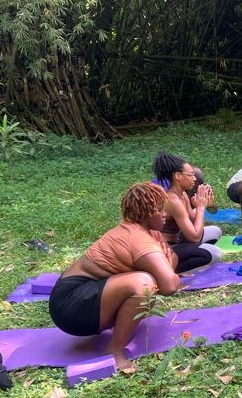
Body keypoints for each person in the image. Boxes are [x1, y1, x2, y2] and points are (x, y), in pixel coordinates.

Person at [48, 183, 181, 372]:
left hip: (81, 296)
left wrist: (166, 265)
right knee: (144, 285)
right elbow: (169, 285)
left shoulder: (148, 231)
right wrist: (166, 265)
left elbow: (173, 257)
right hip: (70, 307)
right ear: (148, 213)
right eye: (160, 210)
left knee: (149, 281)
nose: (165, 214)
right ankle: (114, 351)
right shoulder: (138, 238)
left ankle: (118, 330)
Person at [153, 151, 222, 273]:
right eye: (191, 175)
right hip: (165, 248)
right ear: (178, 176)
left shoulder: (182, 194)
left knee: (215, 231)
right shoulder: (172, 200)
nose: (194, 179)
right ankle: (171, 270)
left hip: (179, 240)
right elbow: (194, 237)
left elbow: (191, 219)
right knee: (214, 253)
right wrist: (200, 208)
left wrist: (204, 204)